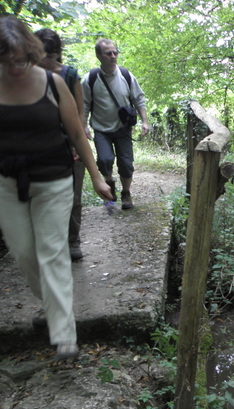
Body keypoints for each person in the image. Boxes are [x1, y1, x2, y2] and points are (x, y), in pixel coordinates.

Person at [0, 15, 113, 359]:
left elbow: (77, 132)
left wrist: (96, 176)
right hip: (7, 183)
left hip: (54, 179)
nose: (16, 66)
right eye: (7, 61)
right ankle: (51, 303)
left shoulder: (53, 83)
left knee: (52, 251)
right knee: (24, 253)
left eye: (21, 59)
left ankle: (64, 335)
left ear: (31, 53)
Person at [35, 28, 86, 261]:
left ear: (58, 53)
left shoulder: (69, 75)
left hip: (68, 144)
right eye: (41, 54)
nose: (46, 60)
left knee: (73, 197)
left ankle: (72, 241)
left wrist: (78, 143)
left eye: (51, 55)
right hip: (37, 148)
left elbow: (79, 113)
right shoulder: (22, 76)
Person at [82, 38, 150, 210]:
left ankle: (126, 193)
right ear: (99, 55)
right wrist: (84, 126)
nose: (113, 56)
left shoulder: (126, 76)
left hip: (123, 128)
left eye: (115, 52)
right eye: (108, 53)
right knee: (105, 160)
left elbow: (139, 99)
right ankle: (109, 182)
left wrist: (144, 121)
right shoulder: (90, 79)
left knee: (126, 164)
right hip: (101, 129)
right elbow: (84, 105)